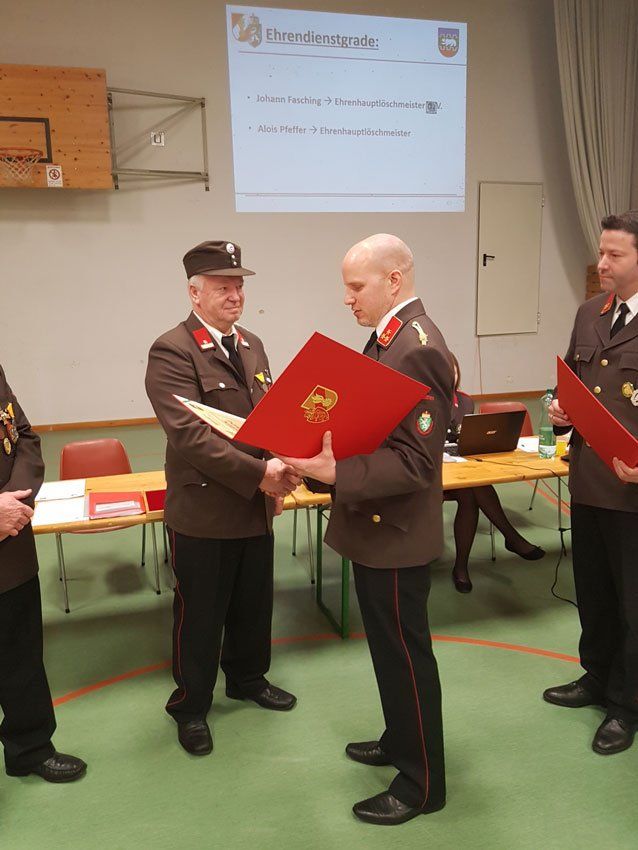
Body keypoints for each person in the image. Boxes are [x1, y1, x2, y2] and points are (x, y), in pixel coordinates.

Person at [279, 234, 452, 826]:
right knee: (387, 651)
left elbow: (417, 462)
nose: (347, 298)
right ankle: (400, 739)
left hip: (397, 532)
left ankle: (422, 783)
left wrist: (338, 473)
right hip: (377, 525)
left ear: (394, 280)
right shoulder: (388, 340)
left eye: (356, 286)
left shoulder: (417, 348)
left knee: (406, 658)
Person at [145, 240, 299, 757]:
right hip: (206, 510)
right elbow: (192, 437)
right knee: (201, 616)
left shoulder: (252, 344)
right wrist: (261, 475)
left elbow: (269, 416)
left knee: (253, 603)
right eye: (222, 287)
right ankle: (190, 706)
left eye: (238, 286)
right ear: (195, 293)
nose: (235, 295)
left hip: (254, 504)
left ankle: (248, 678)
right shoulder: (172, 350)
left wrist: (278, 470)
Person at [544, 210, 638, 755]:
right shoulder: (589, 313)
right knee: (595, 591)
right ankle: (597, 675)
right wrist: (560, 410)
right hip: (589, 481)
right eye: (601, 252)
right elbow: (576, 385)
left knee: (633, 604)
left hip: (632, 492)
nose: (601, 263)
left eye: (614, 254)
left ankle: (627, 704)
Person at [0, 365, 86, 783]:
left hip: (10, 545)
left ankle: (29, 749)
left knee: (22, 657)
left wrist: (13, 501)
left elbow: (24, 437)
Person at [445, 353, 544, 593]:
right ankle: (511, 538)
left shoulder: (465, 401)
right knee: (474, 488)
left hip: (462, 468)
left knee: (471, 492)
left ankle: (461, 568)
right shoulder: (427, 402)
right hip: (435, 473)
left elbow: (467, 434)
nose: (451, 376)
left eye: (454, 371)